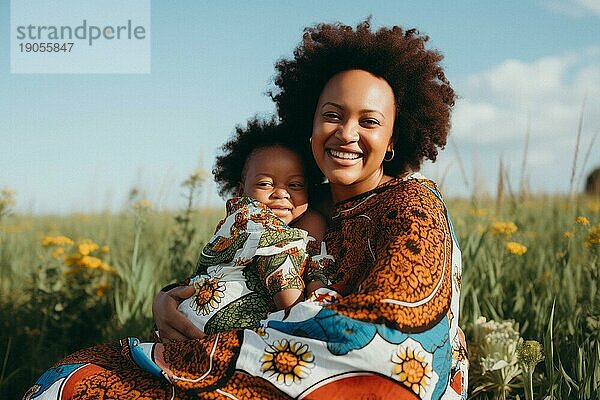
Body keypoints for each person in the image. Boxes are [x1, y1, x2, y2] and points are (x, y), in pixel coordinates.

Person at [24, 20, 468, 400]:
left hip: (359, 373)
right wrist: (170, 299)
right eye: (332, 115)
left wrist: (238, 345)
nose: (347, 133)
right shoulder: (298, 198)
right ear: (309, 125)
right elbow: (237, 266)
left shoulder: (414, 205)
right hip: (256, 348)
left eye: (369, 121)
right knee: (72, 377)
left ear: (393, 141)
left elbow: (398, 328)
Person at [174, 118, 330, 336]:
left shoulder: (304, 221)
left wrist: (317, 285)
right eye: (265, 184)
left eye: (295, 185)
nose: (281, 193)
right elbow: (281, 271)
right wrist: (301, 314)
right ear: (240, 191)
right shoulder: (250, 215)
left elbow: (316, 264)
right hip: (204, 329)